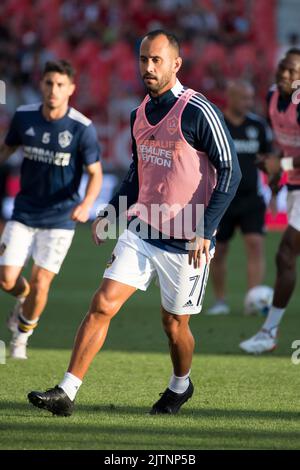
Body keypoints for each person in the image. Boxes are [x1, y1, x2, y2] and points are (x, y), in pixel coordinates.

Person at [28, 30, 241, 416]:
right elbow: (137, 169)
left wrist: (204, 230)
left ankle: (180, 385)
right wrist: (112, 210)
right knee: (102, 303)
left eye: (157, 60)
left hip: (187, 236)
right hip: (142, 229)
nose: (148, 67)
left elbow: (231, 170)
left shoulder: (199, 110)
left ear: (176, 64)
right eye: (144, 59)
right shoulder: (138, 113)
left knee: (175, 325)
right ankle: (66, 391)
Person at [0, 59, 102, 359]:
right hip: (24, 211)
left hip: (60, 217)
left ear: (71, 88)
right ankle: (24, 297)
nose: (53, 90)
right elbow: (7, 149)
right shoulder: (24, 117)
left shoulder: (82, 128)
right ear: (41, 85)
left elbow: (96, 173)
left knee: (41, 280)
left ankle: (22, 336)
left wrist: (86, 205)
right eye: (48, 83)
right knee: (7, 279)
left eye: (60, 85)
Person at [240, 48, 300, 353]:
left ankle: (269, 332)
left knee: (285, 254)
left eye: (293, 71)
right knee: (288, 256)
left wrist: (282, 166)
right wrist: (276, 168)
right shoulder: (273, 97)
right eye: (283, 69)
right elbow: (284, 145)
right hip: (295, 187)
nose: (286, 75)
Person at [206, 80, 273, 315]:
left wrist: (274, 192)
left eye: (250, 98)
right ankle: (220, 301)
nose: (248, 103)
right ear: (230, 97)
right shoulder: (217, 124)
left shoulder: (259, 126)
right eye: (243, 98)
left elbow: (269, 160)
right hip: (222, 197)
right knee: (219, 250)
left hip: (251, 198)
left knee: (255, 246)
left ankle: (252, 300)